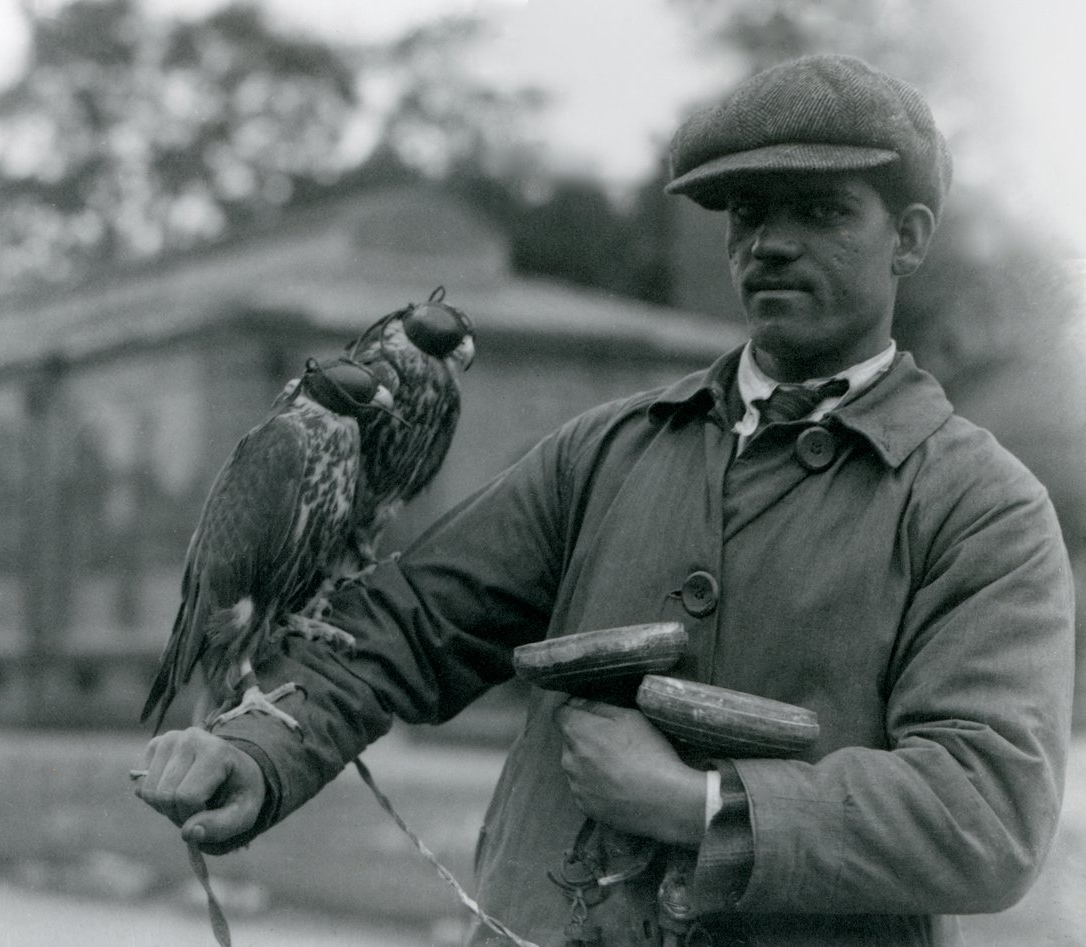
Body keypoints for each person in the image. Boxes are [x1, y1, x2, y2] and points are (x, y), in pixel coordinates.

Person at [133, 54, 1075, 946]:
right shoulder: (605, 452)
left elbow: (986, 810)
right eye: (748, 212)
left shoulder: (982, 508)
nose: (771, 243)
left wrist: (697, 804)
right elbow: (404, 624)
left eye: (823, 211)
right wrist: (253, 748)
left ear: (909, 237)